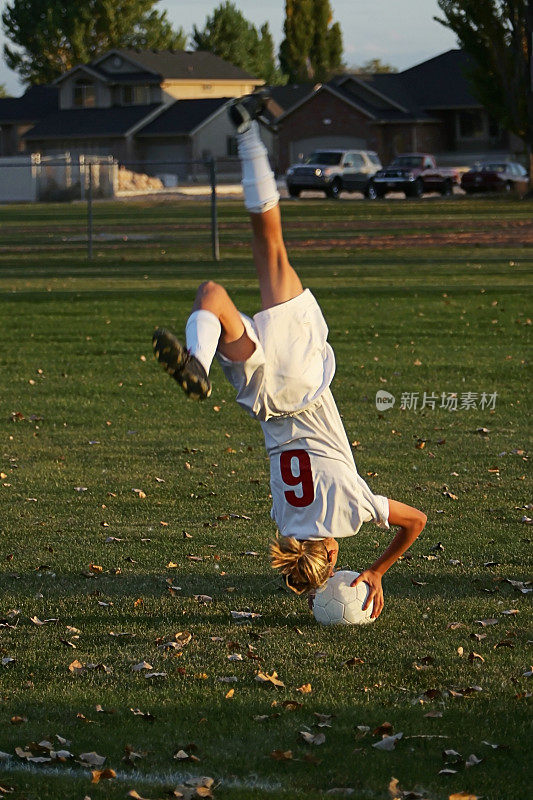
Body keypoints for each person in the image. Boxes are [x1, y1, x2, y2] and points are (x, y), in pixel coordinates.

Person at [152, 93, 427, 619]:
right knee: (212, 294)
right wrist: (314, 573)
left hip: (300, 379)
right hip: (261, 395)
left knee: (271, 244)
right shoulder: (284, 519)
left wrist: (375, 571)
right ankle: (197, 356)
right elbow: (304, 553)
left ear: (330, 552)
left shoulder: (347, 507)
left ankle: (251, 133)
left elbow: (416, 522)